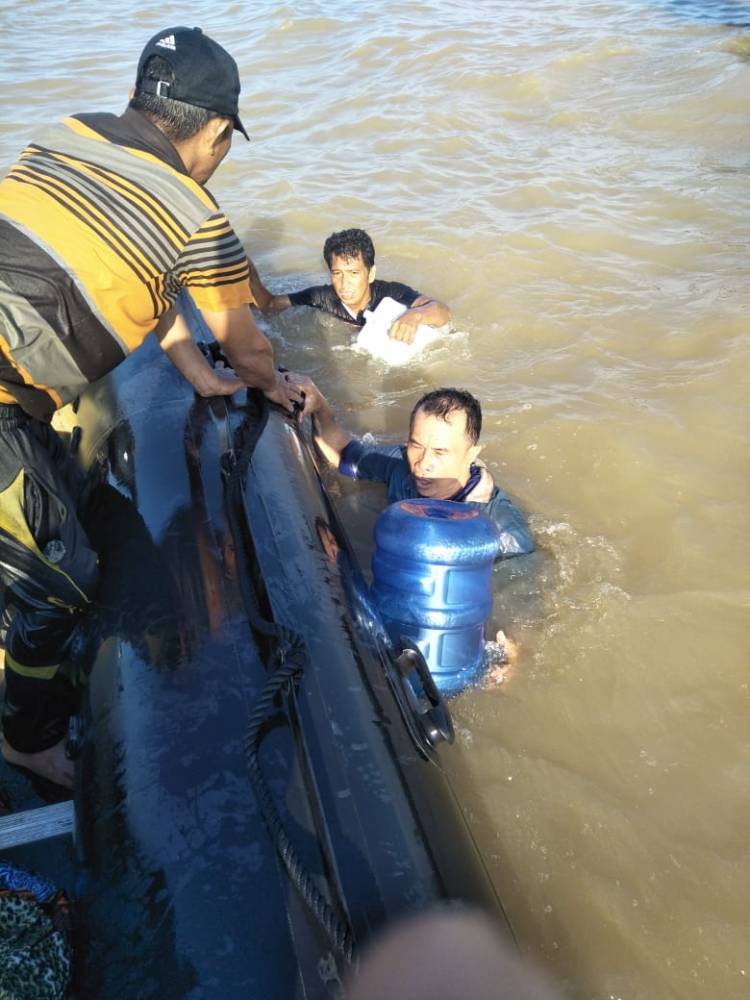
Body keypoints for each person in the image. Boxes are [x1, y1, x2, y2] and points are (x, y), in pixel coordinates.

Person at [0, 25, 302, 787]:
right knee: (60, 581)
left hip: (16, 392)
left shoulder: (64, 136)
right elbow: (254, 349)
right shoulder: (197, 215)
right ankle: (26, 739)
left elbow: (149, 282)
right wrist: (270, 385)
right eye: (228, 139)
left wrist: (196, 371)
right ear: (216, 131)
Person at [291, 377, 534, 557]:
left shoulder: (500, 525)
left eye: (440, 452)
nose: (423, 464)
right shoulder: (401, 465)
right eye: (416, 445)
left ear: (471, 455)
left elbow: (521, 593)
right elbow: (342, 453)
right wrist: (320, 407)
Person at [248, 228, 452, 344]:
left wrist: (414, 316)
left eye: (354, 273)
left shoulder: (391, 293)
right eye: (338, 274)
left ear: (370, 273)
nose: (345, 284)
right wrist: (246, 273)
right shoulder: (322, 297)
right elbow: (271, 305)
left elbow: (442, 311)